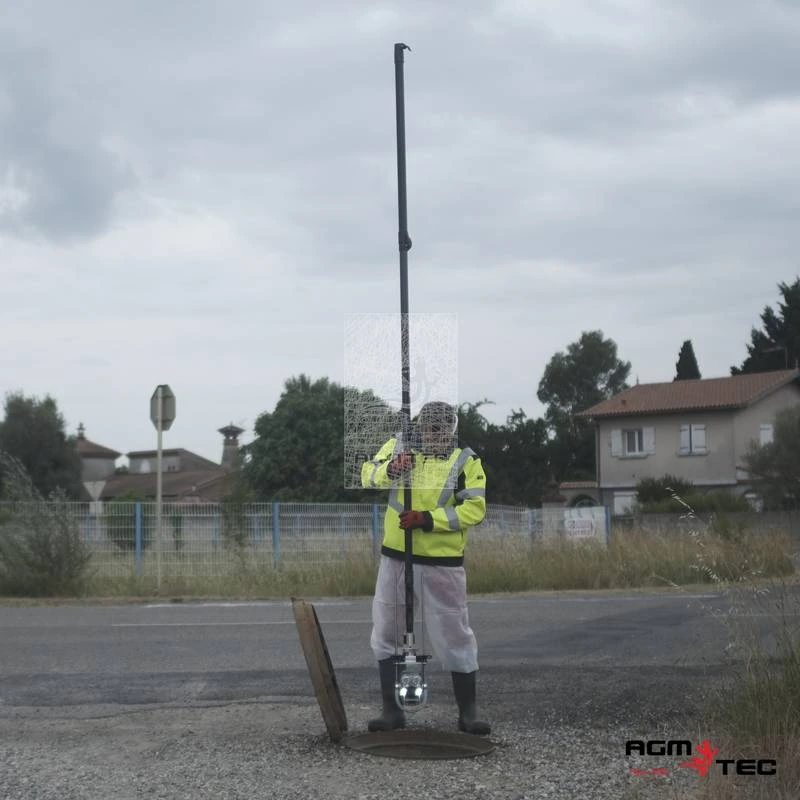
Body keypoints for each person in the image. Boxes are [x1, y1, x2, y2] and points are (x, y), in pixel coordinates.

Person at [360, 400, 490, 735]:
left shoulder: (465, 459)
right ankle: (392, 711)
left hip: (442, 563)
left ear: (452, 429)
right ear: (420, 426)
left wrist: (428, 520)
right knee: (387, 629)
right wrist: (390, 470)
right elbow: (367, 474)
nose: (438, 434)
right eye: (432, 427)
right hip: (396, 557)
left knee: (455, 633)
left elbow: (474, 509)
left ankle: (468, 712)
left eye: (445, 428)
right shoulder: (399, 446)